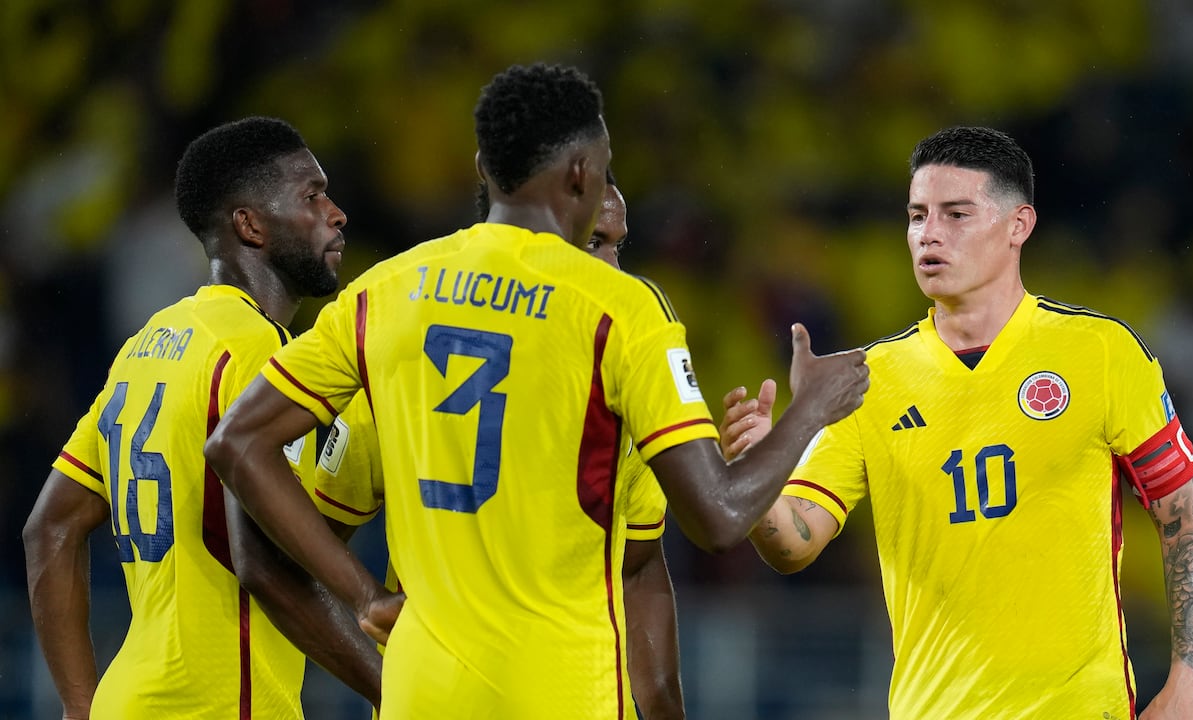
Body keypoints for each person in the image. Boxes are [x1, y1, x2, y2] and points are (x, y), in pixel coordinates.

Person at [204, 62, 869, 719]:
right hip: (559, 691)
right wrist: (812, 407)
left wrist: (364, 596)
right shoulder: (620, 311)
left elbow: (237, 442)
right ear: (582, 173)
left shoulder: (386, 293)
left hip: (422, 696)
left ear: (483, 167)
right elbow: (718, 519)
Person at [723, 126, 1193, 719]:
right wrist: (761, 475)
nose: (929, 234)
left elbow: (1186, 517)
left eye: (956, 214)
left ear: (1019, 226)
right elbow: (795, 544)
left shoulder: (1101, 352)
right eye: (916, 216)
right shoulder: (865, 381)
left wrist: (1190, 685)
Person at [23, 117, 382, 719]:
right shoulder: (257, 355)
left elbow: (50, 528)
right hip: (217, 704)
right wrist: (391, 688)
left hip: (130, 700)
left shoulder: (145, 346)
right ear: (250, 225)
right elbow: (264, 566)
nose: (337, 213)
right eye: (313, 195)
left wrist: (79, 705)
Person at [311, 177, 685, 718]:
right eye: (593, 245)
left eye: (617, 247)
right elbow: (305, 547)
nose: (612, 271)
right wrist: (376, 656)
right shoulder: (406, 362)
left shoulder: (622, 367)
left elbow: (639, 564)